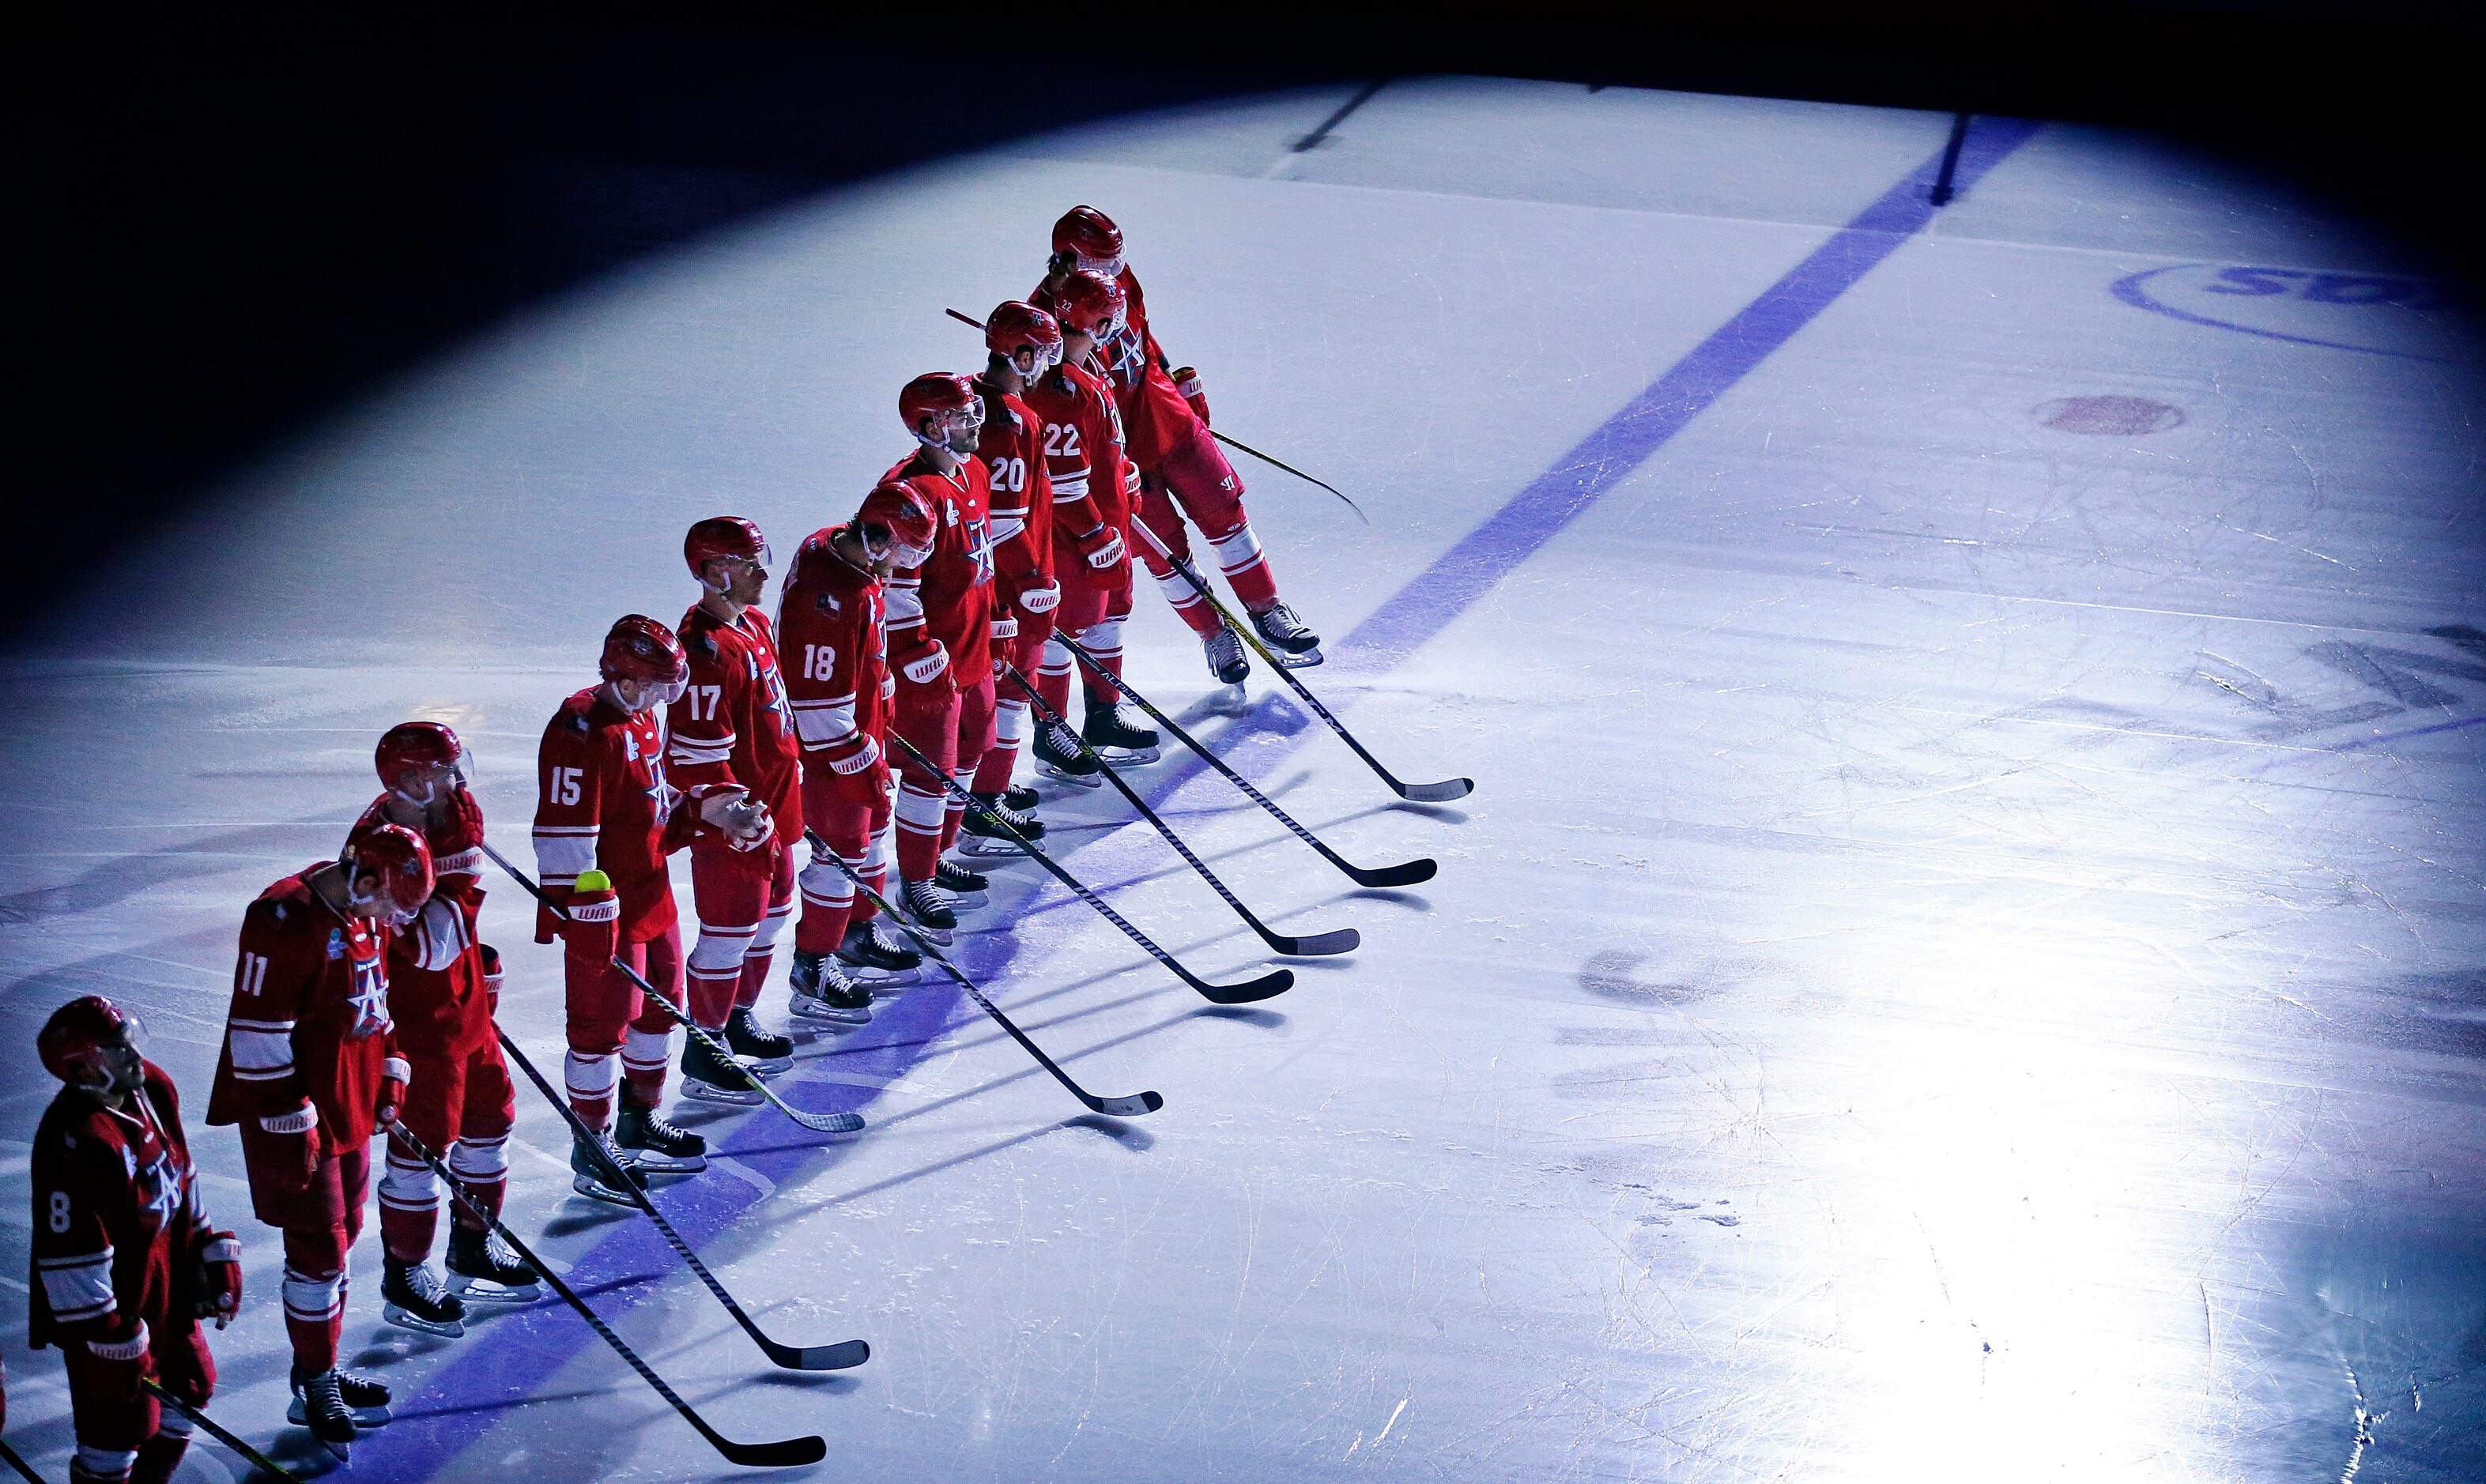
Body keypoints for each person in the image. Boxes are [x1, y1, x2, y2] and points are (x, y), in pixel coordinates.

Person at [206, 824, 432, 1460]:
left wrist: (389, 1072)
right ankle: (313, 1381)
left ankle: (321, 1368)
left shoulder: (365, 911)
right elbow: (256, 1028)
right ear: (364, 881)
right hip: (300, 1115)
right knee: (319, 1248)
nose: (393, 918)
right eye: (389, 902)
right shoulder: (283, 919)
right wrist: (287, 1118)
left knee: (346, 1233)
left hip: (351, 1098)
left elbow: (377, 1004)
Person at [1043, 205, 1321, 680]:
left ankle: (1268, 609)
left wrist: (1178, 380)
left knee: (1225, 511)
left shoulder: (1121, 280)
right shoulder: (1042, 325)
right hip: (1119, 456)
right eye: (1101, 265)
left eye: (1116, 262)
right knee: (1165, 552)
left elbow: (1144, 340)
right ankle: (1215, 634)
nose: (1114, 273)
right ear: (1067, 260)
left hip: (1169, 418)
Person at [348, 722, 537, 1335]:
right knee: (421, 1149)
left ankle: (473, 1244)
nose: (458, 781)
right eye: (445, 771)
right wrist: (458, 916)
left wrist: (475, 963)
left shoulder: (458, 812)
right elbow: (429, 945)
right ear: (410, 780)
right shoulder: (374, 849)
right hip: (418, 1024)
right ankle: (405, 1273)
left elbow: (451, 927)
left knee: (492, 1120)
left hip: (465, 1005)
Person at [534, 615, 713, 1196]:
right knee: (600, 1028)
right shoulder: (581, 731)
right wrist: (584, 915)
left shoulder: (641, 718)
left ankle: (639, 1119)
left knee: (661, 1006)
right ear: (629, 679)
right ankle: (594, 1146)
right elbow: (565, 835)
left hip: (650, 888)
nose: (667, 696)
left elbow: (652, 802)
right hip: (606, 909)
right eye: (660, 685)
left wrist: (702, 811)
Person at [28, 996, 240, 1484]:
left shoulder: (154, 1089)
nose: (132, 1056)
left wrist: (206, 1241)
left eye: (129, 1041)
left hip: (169, 1287)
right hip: (113, 1313)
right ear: (82, 1069)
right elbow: (70, 1260)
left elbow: (182, 1173)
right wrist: (111, 1341)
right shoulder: (75, 1141)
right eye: (116, 1048)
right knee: (117, 1433)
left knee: (190, 1388)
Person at [778, 488, 935, 1022]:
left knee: (869, 836)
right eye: (903, 554)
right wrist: (857, 757)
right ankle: (813, 966)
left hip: (857, 730)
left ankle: (856, 931)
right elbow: (816, 705)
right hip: (832, 751)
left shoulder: (836, 551)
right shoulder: (830, 600)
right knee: (839, 851)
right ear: (876, 539)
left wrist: (881, 708)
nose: (904, 568)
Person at [670, 518, 802, 1102]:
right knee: (729, 933)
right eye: (751, 563)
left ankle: (737, 1015)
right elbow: (693, 762)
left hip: (775, 804)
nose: (763, 573)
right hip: (737, 823)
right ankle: (706, 1047)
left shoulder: (750, 624)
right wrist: (731, 812)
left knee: (773, 916)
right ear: (718, 570)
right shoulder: (704, 653)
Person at [877, 374, 1004, 942]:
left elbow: (984, 557)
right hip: (934, 662)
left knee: (973, 745)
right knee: (933, 770)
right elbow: (891, 588)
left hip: (973, 642)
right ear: (929, 426)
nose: (974, 421)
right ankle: (917, 877)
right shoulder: (908, 493)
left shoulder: (974, 471)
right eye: (960, 415)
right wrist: (917, 656)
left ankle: (941, 848)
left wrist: (998, 618)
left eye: (971, 410)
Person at [1024, 270, 1156, 769]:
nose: (1116, 325)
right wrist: (1095, 533)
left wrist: (1124, 473)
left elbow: (1099, 449)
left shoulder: (1090, 370)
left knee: (1110, 617)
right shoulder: (1058, 392)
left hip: (1109, 528)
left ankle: (1103, 714)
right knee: (1067, 629)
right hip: (1071, 540)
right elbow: (1061, 484)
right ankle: (1050, 732)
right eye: (1108, 316)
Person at [960, 299, 1078, 849]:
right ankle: (985, 803)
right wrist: (1033, 585)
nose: (1050, 363)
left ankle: (990, 793)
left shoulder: (969, 401)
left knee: (1003, 689)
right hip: (1008, 584)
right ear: (1022, 352)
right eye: (1046, 352)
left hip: (988, 579)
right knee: (1011, 690)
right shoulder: (1012, 421)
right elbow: (1005, 523)